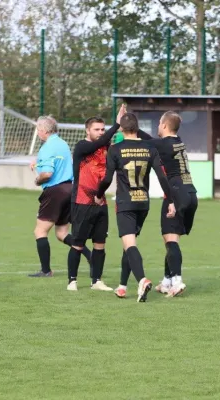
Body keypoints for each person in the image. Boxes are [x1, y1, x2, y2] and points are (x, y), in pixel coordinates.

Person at [95, 113, 175, 302]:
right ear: (137, 128)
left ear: (121, 129)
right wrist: (170, 199)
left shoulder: (115, 149)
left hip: (125, 202)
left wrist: (98, 195)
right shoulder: (149, 147)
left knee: (130, 244)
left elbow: (107, 178)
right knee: (127, 245)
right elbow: (162, 176)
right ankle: (122, 286)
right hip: (143, 203)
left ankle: (142, 280)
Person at [135, 111, 198, 297]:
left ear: (163, 125)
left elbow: (143, 139)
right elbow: (152, 140)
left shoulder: (163, 144)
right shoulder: (177, 142)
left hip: (176, 194)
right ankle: (167, 281)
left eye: (159, 124)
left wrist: (128, 125)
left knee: (171, 240)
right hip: (190, 193)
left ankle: (177, 281)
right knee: (170, 239)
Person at [67, 104, 126, 292]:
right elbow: (98, 144)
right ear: (87, 130)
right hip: (82, 202)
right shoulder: (82, 146)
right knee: (77, 243)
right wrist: (115, 125)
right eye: (97, 129)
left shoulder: (106, 147)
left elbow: (112, 146)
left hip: (101, 202)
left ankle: (96, 281)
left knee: (100, 244)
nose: (100, 132)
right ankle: (72, 280)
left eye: (102, 129)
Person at [29, 115, 92, 278]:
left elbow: (48, 173)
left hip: (55, 191)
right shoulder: (62, 144)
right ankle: (91, 257)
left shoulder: (47, 147)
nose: (38, 132)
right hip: (69, 189)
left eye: (38, 129)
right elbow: (61, 162)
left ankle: (46, 270)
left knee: (40, 231)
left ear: (43, 131)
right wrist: (37, 163)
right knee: (62, 233)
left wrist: (37, 179)